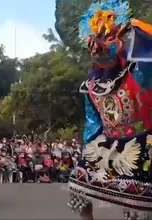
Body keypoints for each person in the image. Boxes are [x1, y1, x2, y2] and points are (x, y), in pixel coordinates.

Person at [67, 0, 152, 219]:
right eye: (96, 39)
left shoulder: (139, 69)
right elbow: (92, 123)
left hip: (144, 141)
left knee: (137, 206)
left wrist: (136, 27)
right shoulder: (90, 86)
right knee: (78, 183)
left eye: (108, 37)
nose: (99, 45)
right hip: (109, 143)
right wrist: (87, 149)